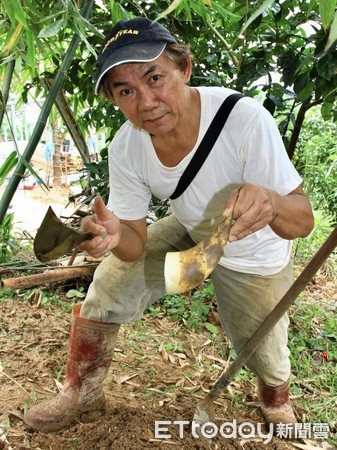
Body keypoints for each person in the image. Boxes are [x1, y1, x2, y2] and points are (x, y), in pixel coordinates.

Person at [24, 17, 314, 433]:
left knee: (261, 349)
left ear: (185, 69)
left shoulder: (243, 119)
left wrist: (269, 201)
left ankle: (275, 394)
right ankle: (81, 387)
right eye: (126, 91)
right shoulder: (128, 145)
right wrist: (114, 235)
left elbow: (303, 220)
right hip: (193, 226)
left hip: (254, 249)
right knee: (111, 281)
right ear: (116, 100)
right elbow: (134, 244)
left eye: (154, 77)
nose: (145, 102)